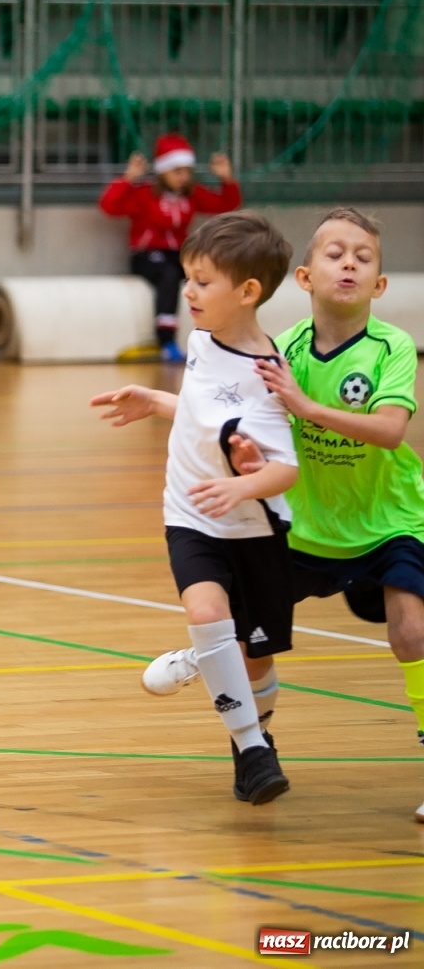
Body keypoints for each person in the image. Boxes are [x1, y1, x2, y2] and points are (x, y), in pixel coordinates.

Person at [166, 209, 424, 823]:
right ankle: (252, 748)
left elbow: (390, 431)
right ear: (305, 277)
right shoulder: (281, 356)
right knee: (256, 646)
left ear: (379, 285)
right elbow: (250, 426)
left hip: (387, 519)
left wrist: (305, 406)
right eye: (335, 254)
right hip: (305, 525)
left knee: (411, 631)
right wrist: (248, 455)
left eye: (363, 256)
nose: (350, 264)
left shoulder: (391, 348)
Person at [90, 211, 297, 805]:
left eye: (202, 281)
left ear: (247, 292)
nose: (188, 291)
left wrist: (243, 485)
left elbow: (286, 468)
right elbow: (204, 413)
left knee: (256, 659)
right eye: (187, 277)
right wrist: (157, 400)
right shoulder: (203, 341)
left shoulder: (268, 375)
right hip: (190, 516)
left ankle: (231, 695)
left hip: (252, 526)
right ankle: (251, 749)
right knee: (207, 610)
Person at [99, 133, 240, 363]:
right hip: (147, 256)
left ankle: (217, 335)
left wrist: (227, 179)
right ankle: (166, 340)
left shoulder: (191, 195)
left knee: (207, 274)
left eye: (187, 171)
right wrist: (128, 179)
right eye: (177, 171)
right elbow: (109, 206)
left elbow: (226, 204)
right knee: (169, 276)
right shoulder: (145, 194)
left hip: (179, 255)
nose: (184, 177)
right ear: (163, 171)